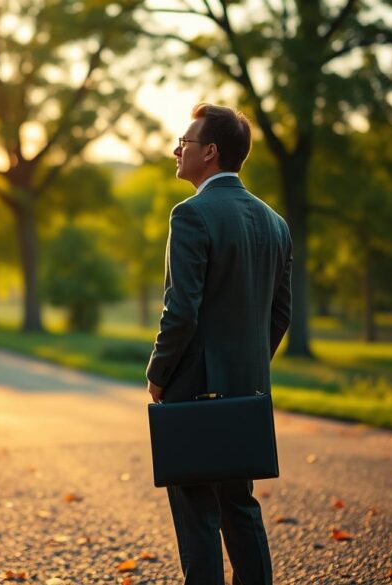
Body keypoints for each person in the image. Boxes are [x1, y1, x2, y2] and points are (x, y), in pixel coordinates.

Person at [145, 103, 293, 585]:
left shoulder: (191, 214)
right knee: (240, 505)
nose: (177, 151)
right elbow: (280, 314)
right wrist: (246, 365)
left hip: (193, 390)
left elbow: (181, 311)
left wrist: (158, 373)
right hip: (247, 390)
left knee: (198, 515)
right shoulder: (275, 223)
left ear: (209, 152)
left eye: (184, 143)